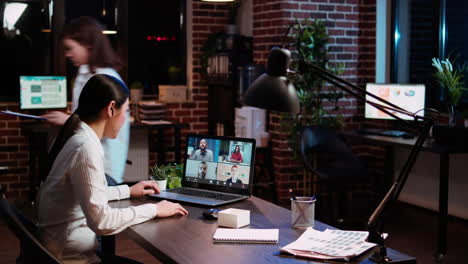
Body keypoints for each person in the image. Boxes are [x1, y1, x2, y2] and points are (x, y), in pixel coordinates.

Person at [37, 75, 188, 264]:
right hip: (71, 259)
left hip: (60, 251)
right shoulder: (86, 147)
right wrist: (154, 209)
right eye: (125, 111)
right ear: (110, 109)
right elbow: (102, 222)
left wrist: (127, 190)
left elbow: (88, 193)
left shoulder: (77, 136)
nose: (125, 119)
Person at [41, 16, 128, 185]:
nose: (67, 54)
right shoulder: (84, 73)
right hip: (86, 160)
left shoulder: (105, 79)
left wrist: (67, 120)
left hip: (103, 166)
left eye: (70, 48)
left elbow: (101, 123)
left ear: (88, 44)